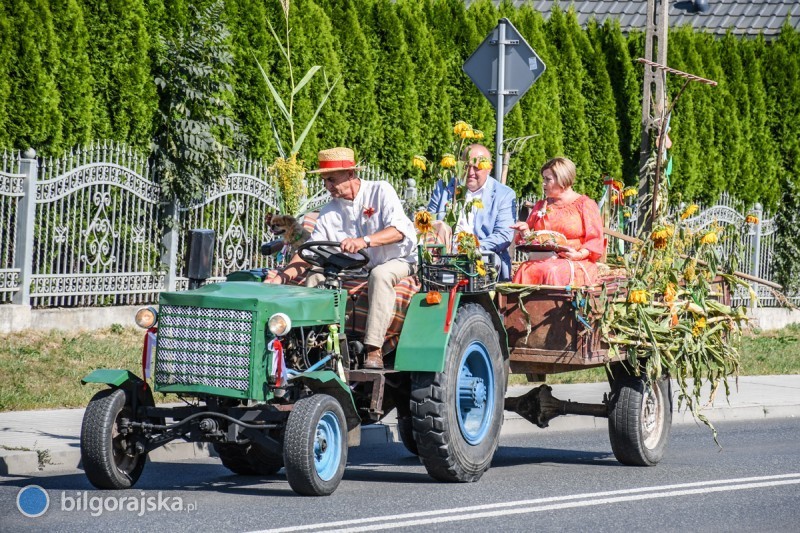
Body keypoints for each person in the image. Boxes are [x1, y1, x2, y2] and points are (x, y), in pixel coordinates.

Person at [266, 147, 417, 370]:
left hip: (398, 259)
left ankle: (373, 349)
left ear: (351, 174)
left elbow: (398, 232)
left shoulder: (381, 191)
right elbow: (309, 253)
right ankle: (313, 348)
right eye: (325, 181)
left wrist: (363, 241)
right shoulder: (329, 211)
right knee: (315, 276)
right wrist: (281, 277)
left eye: (332, 179)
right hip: (356, 267)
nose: (328, 186)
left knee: (380, 275)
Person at [427, 144, 516, 280]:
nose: (470, 172)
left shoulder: (504, 194)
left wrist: (473, 249)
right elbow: (430, 222)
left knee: (485, 262)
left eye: (477, 167)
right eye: (466, 166)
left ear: (489, 167)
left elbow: (503, 235)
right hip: (443, 254)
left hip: (481, 254)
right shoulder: (444, 187)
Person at [511, 157, 604, 286]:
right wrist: (525, 231)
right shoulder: (540, 206)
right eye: (543, 178)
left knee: (552, 271)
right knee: (524, 269)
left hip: (576, 261)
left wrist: (579, 255)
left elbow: (595, 241)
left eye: (547, 179)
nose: (543, 183)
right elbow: (531, 240)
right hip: (544, 259)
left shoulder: (585, 205)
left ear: (563, 180)